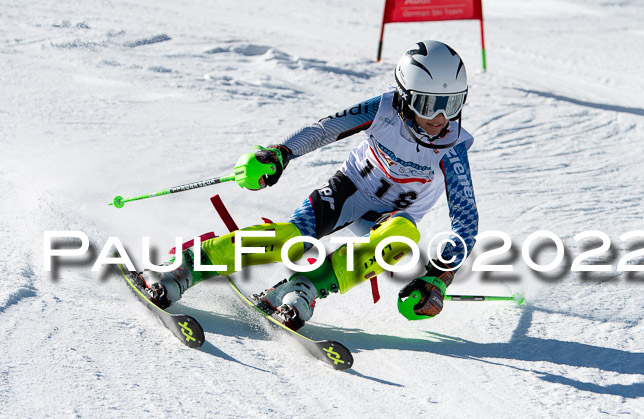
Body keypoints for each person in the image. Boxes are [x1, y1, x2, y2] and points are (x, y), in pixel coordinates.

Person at [138, 40, 479, 331]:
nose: (439, 119)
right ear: (405, 98)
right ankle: (185, 266)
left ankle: (306, 287)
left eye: (451, 104)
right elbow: (326, 128)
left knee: (401, 238)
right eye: (427, 103)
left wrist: (439, 276)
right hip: (350, 190)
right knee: (290, 239)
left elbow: (466, 222)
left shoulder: (452, 147)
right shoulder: (384, 109)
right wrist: (281, 153)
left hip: (389, 218)